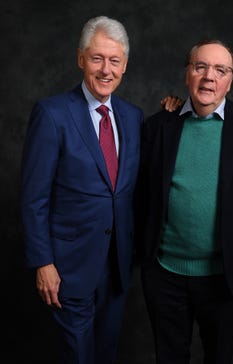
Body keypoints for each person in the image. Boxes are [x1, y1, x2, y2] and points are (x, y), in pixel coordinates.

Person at [135, 39, 233, 364]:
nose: (209, 77)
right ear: (188, 74)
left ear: (231, 80)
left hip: (227, 278)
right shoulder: (160, 125)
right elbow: (140, 193)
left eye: (220, 70)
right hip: (165, 276)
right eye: (200, 67)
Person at [20, 15, 144, 364]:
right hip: (68, 267)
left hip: (117, 264)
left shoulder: (132, 117)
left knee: (106, 353)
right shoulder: (52, 114)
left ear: (125, 66)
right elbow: (34, 197)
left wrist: (176, 108)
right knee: (77, 356)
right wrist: (43, 261)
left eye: (114, 61)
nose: (106, 70)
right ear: (80, 59)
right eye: (97, 59)